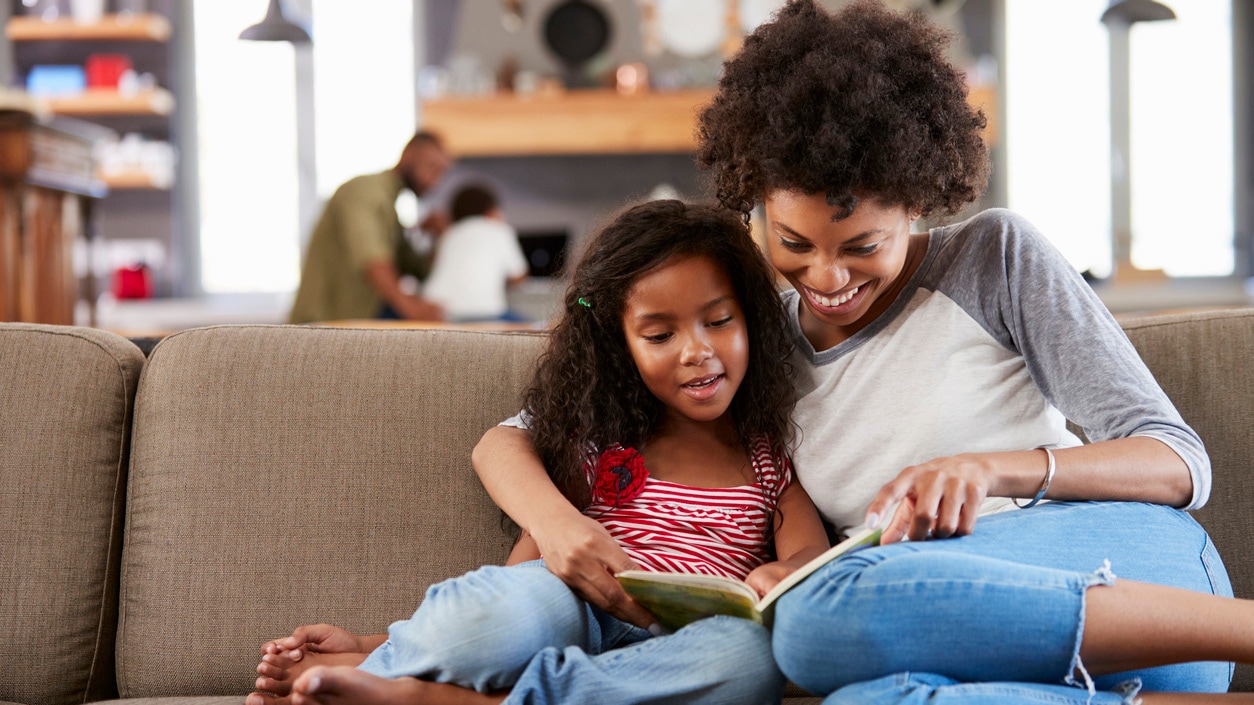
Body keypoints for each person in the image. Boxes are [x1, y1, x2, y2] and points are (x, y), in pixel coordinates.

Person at [471, 2, 1254, 704]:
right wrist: (558, 525)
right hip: (934, 627)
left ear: (920, 199)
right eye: (794, 244)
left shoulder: (994, 257)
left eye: (862, 245)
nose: (828, 278)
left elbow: (1180, 462)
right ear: (755, 208)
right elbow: (514, 437)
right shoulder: (748, 342)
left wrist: (995, 468)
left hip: (1142, 581)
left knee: (816, 619)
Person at [249, 200, 831, 705]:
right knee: (518, 606)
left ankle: (434, 696)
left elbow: (810, 552)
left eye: (720, 321)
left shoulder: (768, 461)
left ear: (751, 320)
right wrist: (372, 638)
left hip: (683, 644)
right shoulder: (600, 445)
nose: (697, 351)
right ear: (619, 344)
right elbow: (515, 594)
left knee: (750, 662)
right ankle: (385, 665)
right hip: (575, 613)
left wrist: (781, 572)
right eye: (660, 335)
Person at [288, 131, 451, 324]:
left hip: (353, 324)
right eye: (432, 167)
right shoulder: (364, 191)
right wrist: (411, 308)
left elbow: (419, 270)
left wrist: (440, 237)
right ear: (408, 155)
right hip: (320, 326)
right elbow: (371, 258)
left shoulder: (390, 210)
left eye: (441, 173)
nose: (434, 181)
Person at [421, 183, 530, 322]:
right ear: (491, 211)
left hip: (436, 308)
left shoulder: (450, 233)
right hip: (483, 310)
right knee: (534, 326)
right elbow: (519, 277)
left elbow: (436, 266)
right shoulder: (500, 230)